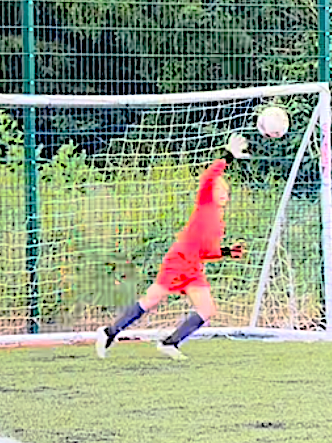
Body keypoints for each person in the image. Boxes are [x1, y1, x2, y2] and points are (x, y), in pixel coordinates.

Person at [96, 133, 249, 359]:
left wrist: (226, 252)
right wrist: (228, 157)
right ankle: (109, 332)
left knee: (207, 310)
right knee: (151, 300)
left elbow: (204, 251)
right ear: (212, 192)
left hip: (193, 267)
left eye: (227, 190)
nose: (225, 193)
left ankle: (170, 343)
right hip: (178, 261)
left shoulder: (218, 221)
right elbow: (209, 177)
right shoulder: (205, 203)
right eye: (221, 189)